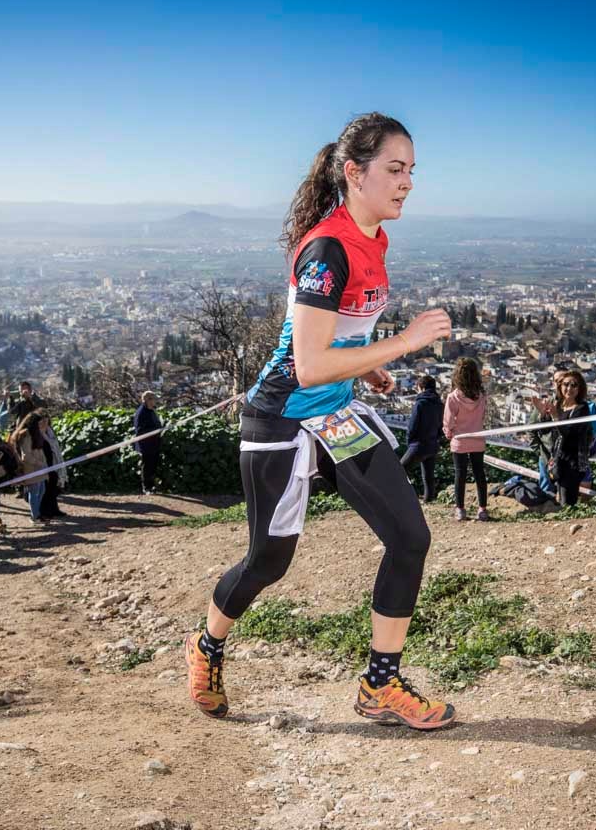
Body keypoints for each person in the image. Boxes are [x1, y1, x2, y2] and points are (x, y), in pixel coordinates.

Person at [185, 113, 455, 731]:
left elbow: (335, 344)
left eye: (412, 170)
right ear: (354, 174)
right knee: (269, 561)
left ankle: (379, 687)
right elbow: (306, 365)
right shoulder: (328, 248)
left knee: (410, 537)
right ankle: (208, 646)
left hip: (333, 413)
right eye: (395, 169)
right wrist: (403, 344)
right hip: (280, 415)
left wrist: (362, 369)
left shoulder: (374, 238)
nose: (407, 182)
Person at [534, 369, 592, 506]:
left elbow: (570, 435)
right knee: (560, 499)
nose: (569, 388)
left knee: (567, 501)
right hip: (558, 460)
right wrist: (542, 414)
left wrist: (555, 418)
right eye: (566, 384)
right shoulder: (558, 405)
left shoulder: (581, 409)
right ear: (560, 386)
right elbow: (545, 430)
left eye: (574, 385)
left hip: (573, 462)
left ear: (580, 388)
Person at [442, 357, 489, 521]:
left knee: (460, 474)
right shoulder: (481, 395)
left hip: (460, 439)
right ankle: (482, 509)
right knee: (479, 474)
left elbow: (448, 421)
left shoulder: (453, 397)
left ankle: (460, 509)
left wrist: (449, 432)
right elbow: (482, 416)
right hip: (477, 437)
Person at [401, 374, 444, 502]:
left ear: (421, 388)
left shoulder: (420, 404)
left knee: (400, 470)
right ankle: (429, 499)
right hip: (433, 444)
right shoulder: (440, 404)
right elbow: (441, 426)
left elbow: (412, 425)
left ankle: (404, 498)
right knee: (428, 475)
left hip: (418, 444)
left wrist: (410, 441)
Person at [10, 411, 50, 522]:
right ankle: (35, 516)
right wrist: (39, 463)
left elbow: (39, 450)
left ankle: (37, 513)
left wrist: (44, 464)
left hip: (40, 468)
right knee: (34, 492)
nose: (41, 424)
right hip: (31, 468)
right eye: (39, 422)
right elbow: (26, 455)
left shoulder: (37, 433)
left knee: (41, 491)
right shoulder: (26, 434)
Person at [39, 412, 67, 518]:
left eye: (46, 419)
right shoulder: (38, 434)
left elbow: (55, 447)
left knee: (54, 487)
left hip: (55, 462)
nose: (45, 421)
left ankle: (55, 509)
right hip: (44, 464)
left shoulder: (50, 432)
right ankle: (46, 511)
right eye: (42, 419)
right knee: (46, 489)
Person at [134, 391, 162, 494]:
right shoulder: (141, 413)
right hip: (146, 445)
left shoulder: (152, 410)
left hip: (154, 444)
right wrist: (155, 430)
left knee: (153, 466)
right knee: (147, 466)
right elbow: (140, 431)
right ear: (148, 400)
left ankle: (152, 486)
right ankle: (146, 488)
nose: (156, 401)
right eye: (154, 399)